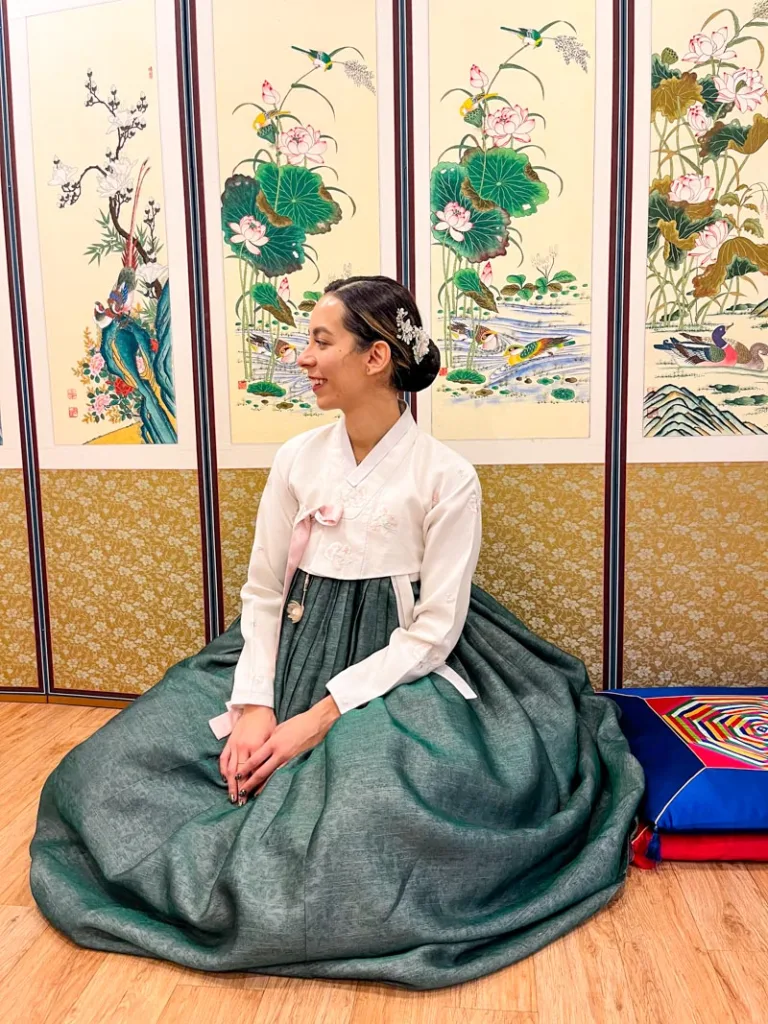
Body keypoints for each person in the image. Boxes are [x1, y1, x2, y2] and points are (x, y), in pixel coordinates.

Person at [29, 275, 644, 990]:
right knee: (105, 771)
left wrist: (316, 719)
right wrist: (257, 706)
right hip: (287, 642)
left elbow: (433, 633)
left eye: (321, 342)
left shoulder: (447, 477)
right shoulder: (297, 459)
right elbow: (263, 590)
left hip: (400, 666)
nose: (305, 358)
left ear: (376, 357)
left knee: (363, 804)